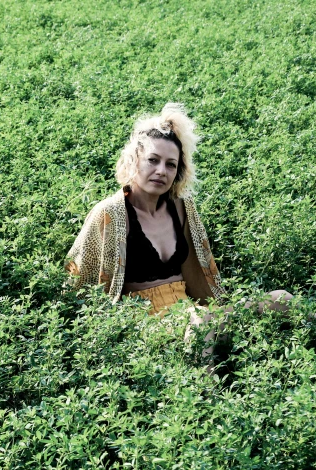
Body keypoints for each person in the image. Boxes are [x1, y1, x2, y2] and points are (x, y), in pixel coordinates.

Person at [65, 103, 292, 321]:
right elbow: (78, 277)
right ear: (134, 161)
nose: (161, 171)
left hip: (193, 313)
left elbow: (200, 270)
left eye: (171, 164)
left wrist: (208, 311)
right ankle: (205, 357)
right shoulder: (110, 213)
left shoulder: (182, 206)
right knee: (200, 325)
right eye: (152, 160)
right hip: (146, 322)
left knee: (281, 298)